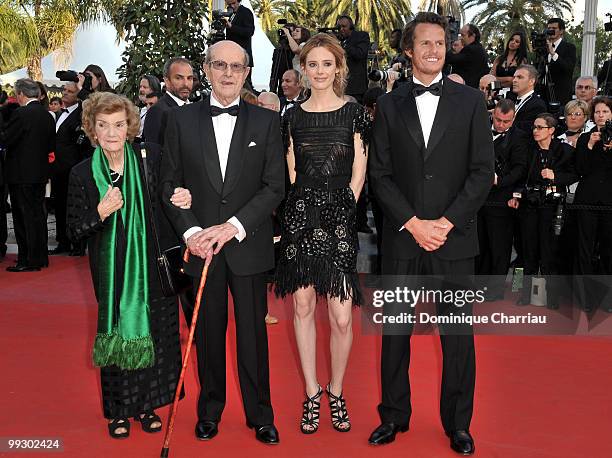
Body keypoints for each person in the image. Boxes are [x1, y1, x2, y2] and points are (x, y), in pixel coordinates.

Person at [368, 13, 494, 454]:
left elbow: (483, 172)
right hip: (403, 236)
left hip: (453, 239)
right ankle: (393, 416)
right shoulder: (389, 104)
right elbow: (380, 175)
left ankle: (459, 424)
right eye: (425, 43)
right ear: (409, 50)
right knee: (395, 334)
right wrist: (413, 223)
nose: (434, 50)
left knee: (458, 338)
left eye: (440, 43)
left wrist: (446, 222)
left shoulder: (471, 103)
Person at [160, 40, 284, 444]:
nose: (228, 73)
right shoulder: (180, 121)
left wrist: (233, 226)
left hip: (247, 244)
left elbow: (273, 187)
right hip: (200, 249)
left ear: (246, 72)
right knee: (208, 334)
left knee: (252, 335)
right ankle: (210, 410)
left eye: (236, 66)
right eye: (219, 65)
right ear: (207, 69)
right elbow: (169, 184)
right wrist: (193, 233)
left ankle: (260, 414)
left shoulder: (266, 122)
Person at [66, 91, 189, 439]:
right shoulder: (82, 175)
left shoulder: (149, 159)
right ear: (92, 129)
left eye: (119, 124)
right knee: (118, 340)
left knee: (156, 337)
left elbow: (171, 196)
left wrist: (183, 195)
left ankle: (147, 404)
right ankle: (118, 411)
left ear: (130, 127)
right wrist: (100, 213)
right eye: (103, 125)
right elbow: (74, 231)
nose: (111, 132)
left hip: (152, 266)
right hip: (111, 273)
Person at [274, 32, 369, 435]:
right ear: (302, 69)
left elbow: (359, 169)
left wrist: (343, 206)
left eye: (326, 64)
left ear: (338, 68)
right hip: (301, 214)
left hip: (339, 215)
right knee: (302, 307)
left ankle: (337, 390)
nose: (318, 71)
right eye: (311, 64)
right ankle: (312, 392)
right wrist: (300, 212)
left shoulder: (354, 113)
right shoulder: (291, 117)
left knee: (342, 317)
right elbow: (292, 172)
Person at [509, 113, 577, 309]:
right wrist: (516, 194)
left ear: (552, 130)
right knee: (525, 251)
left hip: (552, 208)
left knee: (550, 252)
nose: (535, 131)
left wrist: (555, 177)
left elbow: (575, 174)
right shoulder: (528, 150)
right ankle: (521, 292)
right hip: (528, 207)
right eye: (534, 127)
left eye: (540, 127)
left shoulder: (564, 151)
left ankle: (552, 297)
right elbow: (519, 175)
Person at [476, 99, 528, 300]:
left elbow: (520, 168)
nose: (500, 124)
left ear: (513, 119)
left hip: (502, 201)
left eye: (506, 122)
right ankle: (478, 286)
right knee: (480, 245)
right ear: (493, 114)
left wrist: (500, 180)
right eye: (498, 120)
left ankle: (495, 290)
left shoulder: (520, 138)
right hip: (477, 200)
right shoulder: (479, 130)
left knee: (500, 246)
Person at [3, 78, 55, 272]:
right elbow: (51, 145)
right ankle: (40, 257)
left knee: (23, 217)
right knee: (37, 216)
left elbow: (6, 139)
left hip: (20, 174)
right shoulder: (47, 115)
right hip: (40, 174)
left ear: (21, 94)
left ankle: (27, 260)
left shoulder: (22, 114)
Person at [573, 96, 612, 312]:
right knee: (584, 249)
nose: (600, 115)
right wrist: (589, 145)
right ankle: (584, 298)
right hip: (586, 202)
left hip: (609, 203)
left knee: (608, 250)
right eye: (597, 112)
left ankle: (607, 299)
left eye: (605, 111)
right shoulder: (585, 138)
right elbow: (580, 170)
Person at [49, 82, 90, 256]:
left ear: (77, 95)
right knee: (59, 206)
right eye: (64, 90)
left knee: (75, 208)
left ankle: (77, 243)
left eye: (69, 91)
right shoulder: (59, 114)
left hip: (73, 169)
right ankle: (63, 241)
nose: (65, 93)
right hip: (58, 169)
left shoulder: (81, 115)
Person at [143, 57, 194, 145]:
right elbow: (154, 153)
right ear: (167, 81)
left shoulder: (195, 109)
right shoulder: (157, 111)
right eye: (179, 78)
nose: (186, 84)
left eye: (189, 78)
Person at [336, 15, 370, 103]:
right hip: (340, 87)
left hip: (356, 88)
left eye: (344, 26)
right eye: (339, 27)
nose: (341, 29)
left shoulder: (361, 36)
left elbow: (360, 54)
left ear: (351, 26)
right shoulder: (340, 40)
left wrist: (342, 45)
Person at [543, 18, 576, 107]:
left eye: (554, 28)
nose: (550, 31)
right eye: (549, 28)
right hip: (545, 96)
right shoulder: (543, 48)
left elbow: (568, 68)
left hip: (562, 96)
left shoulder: (569, 47)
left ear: (561, 31)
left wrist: (553, 54)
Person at [445, 23, 489, 88]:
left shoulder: (471, 49)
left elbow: (452, 59)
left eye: (463, 35)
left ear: (472, 36)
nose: (461, 38)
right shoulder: (479, 48)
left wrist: (448, 48)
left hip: (467, 88)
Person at [225, 0, 255, 89]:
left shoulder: (245, 12)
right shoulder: (230, 14)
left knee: (245, 86)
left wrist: (232, 27)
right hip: (232, 56)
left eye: (233, 3)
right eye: (229, 4)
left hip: (243, 56)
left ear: (239, 2)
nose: (231, 6)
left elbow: (249, 32)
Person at [512, 64, 547, 133]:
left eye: (519, 77)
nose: (514, 80)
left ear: (531, 81)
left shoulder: (538, 105)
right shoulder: (511, 100)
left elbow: (528, 131)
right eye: (514, 77)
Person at [137, 74, 162, 140]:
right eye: (140, 86)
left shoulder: (162, 112)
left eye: (145, 87)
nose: (141, 89)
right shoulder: (140, 111)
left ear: (154, 90)